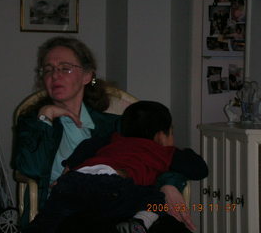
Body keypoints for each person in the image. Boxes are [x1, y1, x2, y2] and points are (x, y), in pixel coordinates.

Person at [13, 36, 195, 231]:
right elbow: (30, 168)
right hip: (63, 212)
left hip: (122, 204)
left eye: (65, 68)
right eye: (48, 69)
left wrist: (168, 185)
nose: (55, 75)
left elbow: (156, 155)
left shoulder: (114, 125)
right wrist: (45, 118)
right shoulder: (34, 123)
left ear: (86, 76)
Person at [23, 101, 208, 233]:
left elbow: (87, 145)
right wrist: (183, 152)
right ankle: (139, 223)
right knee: (155, 198)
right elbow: (199, 169)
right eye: (171, 132)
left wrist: (68, 170)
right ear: (161, 136)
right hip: (113, 184)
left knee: (50, 218)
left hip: (73, 182)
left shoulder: (111, 141)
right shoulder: (161, 151)